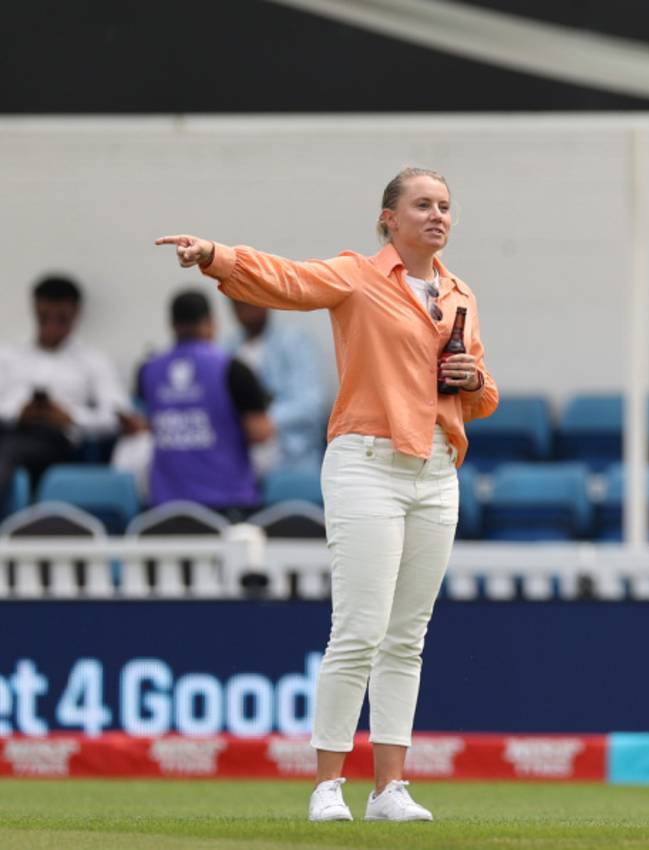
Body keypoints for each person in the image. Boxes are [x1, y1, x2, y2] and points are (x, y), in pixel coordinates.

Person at [156, 166, 499, 824]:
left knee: (406, 637)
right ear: (387, 220)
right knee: (359, 631)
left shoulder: (460, 295)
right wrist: (216, 257)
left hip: (434, 466)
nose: (437, 215)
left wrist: (474, 376)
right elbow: (286, 280)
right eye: (422, 204)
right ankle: (327, 785)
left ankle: (390, 790)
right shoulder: (358, 275)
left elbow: (481, 397)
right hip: (367, 460)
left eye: (445, 206)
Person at [137, 290, 273, 515]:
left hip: (165, 503)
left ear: (172, 324)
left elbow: (145, 421)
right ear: (211, 321)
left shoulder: (147, 370)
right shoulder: (233, 369)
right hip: (227, 501)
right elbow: (260, 432)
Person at [0, 275, 137, 498]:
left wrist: (69, 417)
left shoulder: (92, 361)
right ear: (35, 311)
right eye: (45, 317)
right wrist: (19, 412)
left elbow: (118, 415)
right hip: (9, 430)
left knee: (8, 452)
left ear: (76, 314)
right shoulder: (8, 357)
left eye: (61, 318)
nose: (52, 325)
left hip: (56, 440)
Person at [224, 298, 327, 473]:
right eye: (237, 301)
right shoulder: (228, 349)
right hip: (241, 466)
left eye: (250, 298)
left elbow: (312, 405)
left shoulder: (293, 342)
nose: (245, 306)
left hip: (292, 461)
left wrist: (267, 421)